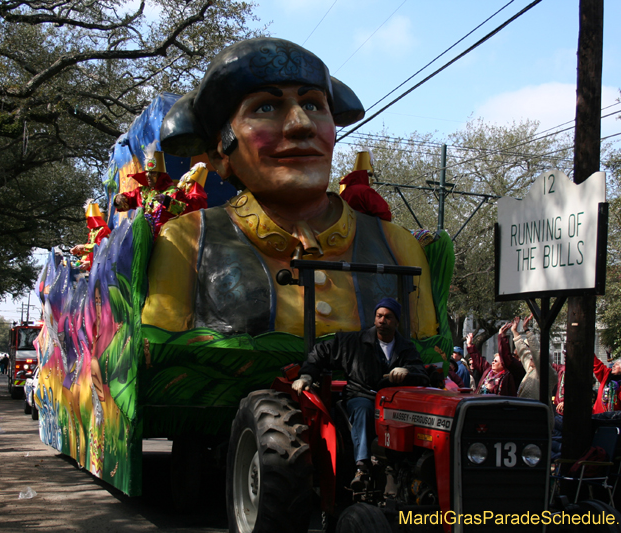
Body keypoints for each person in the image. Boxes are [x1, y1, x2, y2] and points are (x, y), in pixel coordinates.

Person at [143, 37, 438, 339]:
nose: (301, 124)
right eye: (266, 107)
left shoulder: (399, 248)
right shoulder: (187, 242)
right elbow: (162, 363)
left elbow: (429, 360)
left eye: (312, 104)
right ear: (221, 152)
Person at [291, 298, 428, 489]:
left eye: (388, 317)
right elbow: (320, 353)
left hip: (392, 403)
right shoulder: (354, 342)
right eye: (379, 316)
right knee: (364, 410)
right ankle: (362, 467)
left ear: (396, 321)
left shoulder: (406, 348)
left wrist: (408, 372)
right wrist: (306, 376)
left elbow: (421, 373)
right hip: (361, 395)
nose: (382, 321)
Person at [113, 141, 190, 238]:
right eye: (147, 172)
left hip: (166, 237)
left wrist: (167, 201)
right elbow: (127, 200)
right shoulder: (142, 192)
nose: (148, 176)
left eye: (153, 173)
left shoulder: (173, 192)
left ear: (160, 175)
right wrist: (118, 199)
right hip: (144, 235)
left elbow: (185, 211)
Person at [511, 315, 558, 403]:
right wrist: (515, 332)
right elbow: (523, 352)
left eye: (534, 357)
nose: (531, 358)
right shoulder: (531, 369)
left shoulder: (548, 373)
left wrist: (527, 331)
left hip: (538, 413)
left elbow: (537, 353)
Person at [338, 148, 392, 221]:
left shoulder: (345, 192)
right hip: (364, 228)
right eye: (369, 175)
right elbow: (384, 213)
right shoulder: (366, 191)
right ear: (365, 175)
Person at [71, 199, 112, 271]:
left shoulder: (103, 230)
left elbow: (101, 246)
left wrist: (83, 247)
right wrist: (80, 253)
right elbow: (90, 248)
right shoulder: (92, 232)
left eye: (89, 219)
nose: (87, 221)